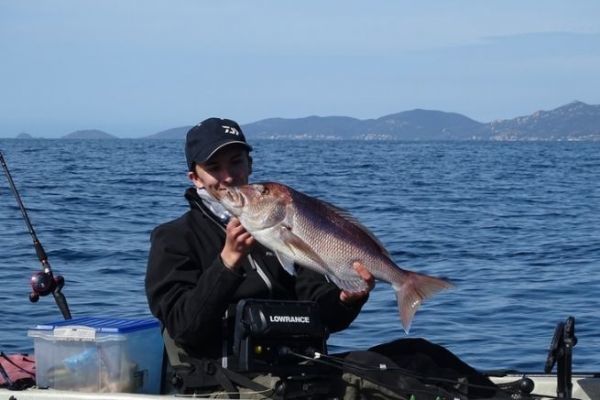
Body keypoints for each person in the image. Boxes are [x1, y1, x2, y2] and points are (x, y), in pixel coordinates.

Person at [145, 118, 374, 395]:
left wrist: (346, 301)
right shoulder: (173, 238)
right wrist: (227, 263)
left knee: (419, 358)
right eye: (214, 168)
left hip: (300, 375)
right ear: (196, 178)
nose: (228, 176)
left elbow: (323, 316)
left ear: (250, 164)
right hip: (223, 384)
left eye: (236, 162)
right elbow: (184, 327)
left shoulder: (278, 222)